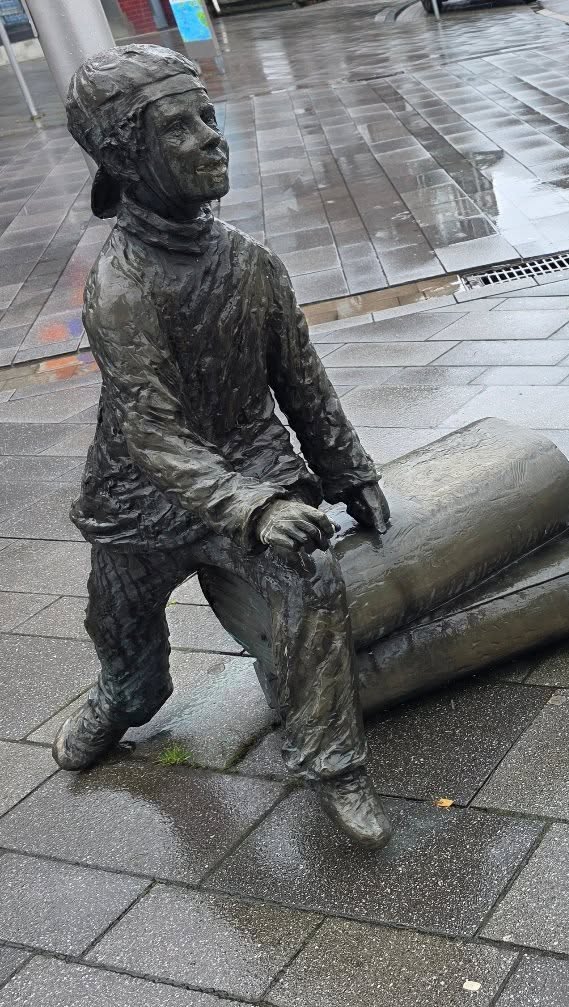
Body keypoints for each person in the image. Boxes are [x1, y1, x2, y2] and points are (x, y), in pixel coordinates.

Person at [53, 44, 393, 849]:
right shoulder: (120, 284)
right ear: (123, 160)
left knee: (310, 578)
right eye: (180, 128)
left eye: (208, 117)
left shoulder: (253, 265)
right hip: (140, 499)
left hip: (253, 468)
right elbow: (151, 430)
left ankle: (334, 763)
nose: (212, 138)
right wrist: (252, 507)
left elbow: (301, 380)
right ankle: (123, 696)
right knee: (125, 646)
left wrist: (347, 470)